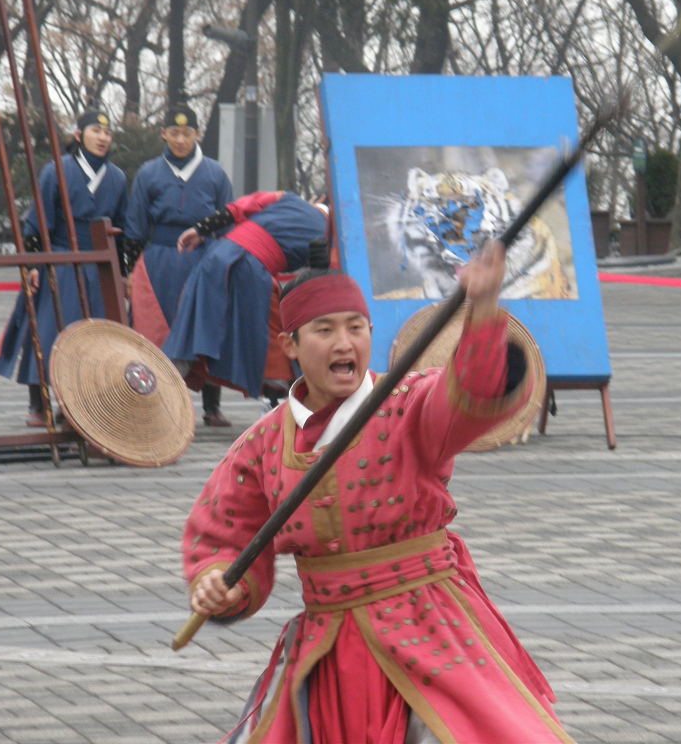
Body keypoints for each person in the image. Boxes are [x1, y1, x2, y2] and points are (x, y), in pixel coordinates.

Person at [182, 241, 576, 743]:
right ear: (291, 346)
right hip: (328, 649)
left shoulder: (408, 404)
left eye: (355, 327)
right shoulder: (260, 444)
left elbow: (469, 393)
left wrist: (482, 308)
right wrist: (219, 582)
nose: (343, 343)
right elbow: (224, 531)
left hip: (429, 629)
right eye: (325, 331)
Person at [0, 111, 128, 426]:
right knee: (49, 330)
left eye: (107, 133)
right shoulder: (56, 171)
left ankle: (79, 406)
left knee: (95, 338)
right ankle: (39, 402)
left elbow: (122, 228)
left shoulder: (117, 177)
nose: (103, 138)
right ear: (79, 135)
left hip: (99, 264)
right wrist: (36, 262)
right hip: (61, 260)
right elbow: (37, 221)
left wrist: (122, 272)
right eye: (95, 130)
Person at [121, 104, 234, 427]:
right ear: (164, 134)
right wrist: (129, 269)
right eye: (174, 132)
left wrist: (224, 262)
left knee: (209, 327)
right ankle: (156, 400)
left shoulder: (214, 173)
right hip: (159, 259)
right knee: (157, 329)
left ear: (197, 134)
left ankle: (212, 405)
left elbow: (227, 221)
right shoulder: (149, 173)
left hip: (204, 259)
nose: (181, 139)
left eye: (187, 133)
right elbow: (135, 225)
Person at [162, 191, 326, 405]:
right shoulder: (329, 234)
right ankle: (280, 398)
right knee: (271, 337)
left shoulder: (285, 197)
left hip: (217, 257)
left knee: (191, 330)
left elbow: (237, 208)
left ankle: (160, 386)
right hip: (251, 271)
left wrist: (201, 228)